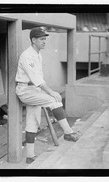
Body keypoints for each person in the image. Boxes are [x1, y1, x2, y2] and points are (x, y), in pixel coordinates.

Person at [15, 27, 80, 164]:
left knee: (32, 122)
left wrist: (45, 91)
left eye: (45, 38)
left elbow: (38, 80)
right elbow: (37, 80)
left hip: (33, 90)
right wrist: (50, 91)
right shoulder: (27, 55)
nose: (44, 41)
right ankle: (68, 132)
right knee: (54, 100)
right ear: (33, 40)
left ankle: (30, 156)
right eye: (41, 39)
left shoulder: (38, 53)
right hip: (25, 90)